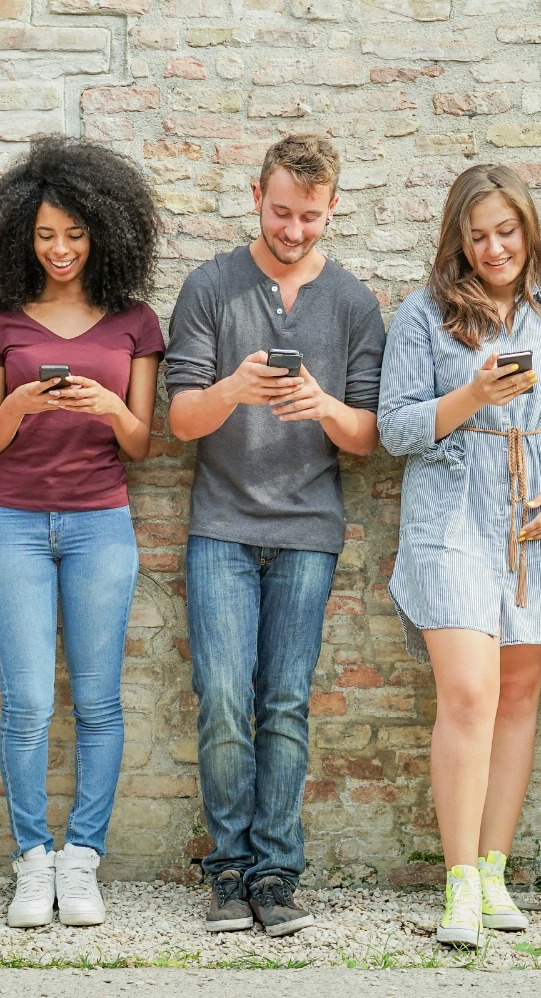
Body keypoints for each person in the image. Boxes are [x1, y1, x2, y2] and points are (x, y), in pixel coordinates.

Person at [378, 164, 541, 948]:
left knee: (517, 697)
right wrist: (473, 396)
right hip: (450, 517)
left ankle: (497, 867)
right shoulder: (423, 316)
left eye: (506, 231)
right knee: (469, 696)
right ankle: (460, 884)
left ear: (528, 231)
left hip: (538, 514)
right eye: (478, 235)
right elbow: (395, 429)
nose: (494, 247)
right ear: (458, 241)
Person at [165, 134, 385, 938]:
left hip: (308, 530)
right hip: (221, 524)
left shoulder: (356, 302)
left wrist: (323, 405)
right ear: (257, 196)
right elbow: (181, 420)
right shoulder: (210, 286)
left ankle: (276, 870)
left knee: (285, 703)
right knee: (223, 699)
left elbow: (366, 437)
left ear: (335, 209)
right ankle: (227, 868)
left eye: (311, 217)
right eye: (282, 212)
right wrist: (234, 387)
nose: (294, 230)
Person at [0, 136, 163, 929]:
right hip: (14, 523)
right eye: (46, 234)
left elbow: (143, 443)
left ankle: (82, 858)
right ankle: (32, 861)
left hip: (101, 525)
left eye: (75, 233)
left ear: (105, 233)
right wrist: (22, 405)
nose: (59, 249)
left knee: (97, 703)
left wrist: (105, 406)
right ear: (22, 234)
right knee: (24, 706)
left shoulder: (135, 322)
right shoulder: (1, 324)